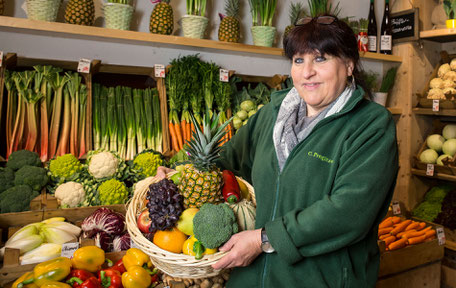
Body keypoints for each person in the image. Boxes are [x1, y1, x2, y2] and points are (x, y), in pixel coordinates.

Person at [158, 15, 398, 288]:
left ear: (349, 65)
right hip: (248, 277)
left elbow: (349, 212)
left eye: (320, 59)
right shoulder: (273, 114)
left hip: (320, 279)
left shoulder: (370, 125)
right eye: (298, 60)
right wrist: (180, 175)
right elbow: (226, 163)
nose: (307, 72)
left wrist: (263, 239)